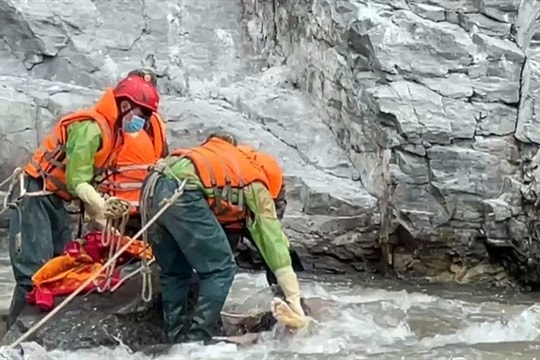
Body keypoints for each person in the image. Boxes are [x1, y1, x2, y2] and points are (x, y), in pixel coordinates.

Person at [7, 74, 160, 327]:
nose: (142, 121)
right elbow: (76, 180)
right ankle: (15, 336)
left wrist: (105, 225)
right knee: (33, 274)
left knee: (60, 269)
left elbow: (88, 181)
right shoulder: (91, 129)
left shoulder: (114, 134)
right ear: (124, 106)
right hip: (34, 197)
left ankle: (41, 332)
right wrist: (101, 205)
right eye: (141, 113)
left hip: (56, 202)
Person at [140, 132, 308, 344]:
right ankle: (196, 343)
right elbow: (273, 242)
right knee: (221, 268)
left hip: (153, 185)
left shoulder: (228, 162)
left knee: (175, 272)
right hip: (184, 191)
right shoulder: (256, 182)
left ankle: (174, 340)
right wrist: (294, 298)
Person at [96, 68, 168, 235]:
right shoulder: (113, 121)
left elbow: (163, 158)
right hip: (116, 211)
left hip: (147, 211)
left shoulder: (157, 124)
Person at [228, 143, 305, 289]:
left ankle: (284, 284)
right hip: (265, 196)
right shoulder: (260, 161)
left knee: (270, 241)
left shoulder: (233, 164)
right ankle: (286, 286)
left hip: (260, 197)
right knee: (273, 241)